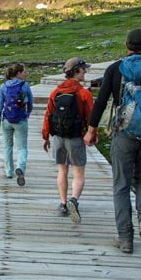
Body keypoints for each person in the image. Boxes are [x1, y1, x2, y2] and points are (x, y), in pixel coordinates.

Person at [84, 29, 141, 254]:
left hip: (123, 132)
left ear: (126, 45)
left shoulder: (116, 69)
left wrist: (91, 130)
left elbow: (101, 101)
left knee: (121, 184)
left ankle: (125, 238)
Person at [41, 57, 94, 223]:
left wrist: (45, 137)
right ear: (76, 71)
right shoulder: (84, 93)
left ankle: (63, 204)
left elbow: (48, 115)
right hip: (76, 138)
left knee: (62, 171)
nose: (85, 71)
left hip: (58, 137)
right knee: (78, 172)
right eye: (83, 69)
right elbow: (91, 117)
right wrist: (92, 135)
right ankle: (74, 200)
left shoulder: (55, 92)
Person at [0, 63, 34, 186]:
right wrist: (27, 114)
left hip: (6, 120)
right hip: (21, 120)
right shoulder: (25, 85)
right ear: (18, 73)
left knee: (8, 146)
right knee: (22, 147)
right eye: (23, 72)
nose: (25, 74)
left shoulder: (4, 86)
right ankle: (20, 167)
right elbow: (30, 103)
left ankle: (9, 171)